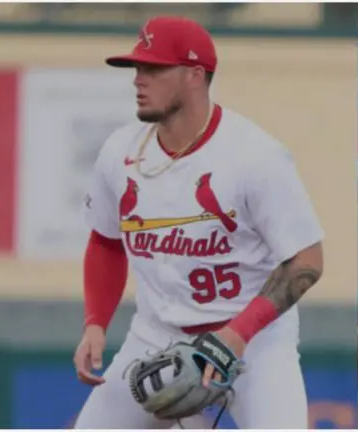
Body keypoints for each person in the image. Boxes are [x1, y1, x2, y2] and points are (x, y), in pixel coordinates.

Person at [73, 16, 324, 429]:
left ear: (194, 75)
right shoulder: (119, 152)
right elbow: (106, 242)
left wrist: (238, 334)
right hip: (155, 336)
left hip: (254, 343)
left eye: (153, 68)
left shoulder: (255, 156)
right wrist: (95, 323)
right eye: (137, 68)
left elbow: (307, 260)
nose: (139, 79)